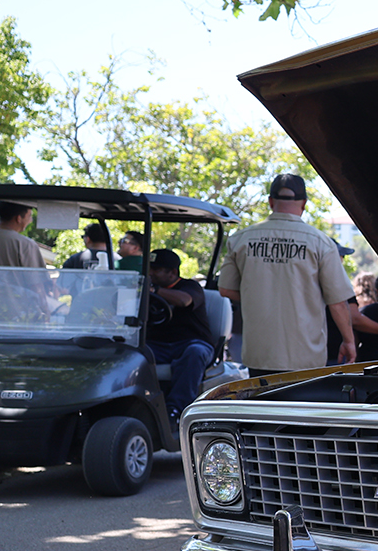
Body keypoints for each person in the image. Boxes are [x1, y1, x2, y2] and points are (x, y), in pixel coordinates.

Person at [216, 173, 356, 376]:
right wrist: (349, 341)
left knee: (263, 406)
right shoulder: (320, 243)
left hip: (260, 353)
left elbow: (226, 289)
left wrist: (258, 293)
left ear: (271, 201)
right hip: (305, 355)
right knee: (301, 407)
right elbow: (338, 302)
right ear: (304, 203)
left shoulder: (241, 239)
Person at [145, 248, 215, 423]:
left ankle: (176, 410)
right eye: (149, 268)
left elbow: (185, 301)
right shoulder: (145, 289)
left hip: (192, 342)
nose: (150, 273)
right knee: (132, 353)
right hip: (158, 345)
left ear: (173, 272)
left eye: (156, 269)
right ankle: (138, 404)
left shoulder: (190, 287)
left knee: (195, 353)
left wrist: (154, 291)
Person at [0, 201, 48, 268]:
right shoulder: (25, 244)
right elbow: (37, 276)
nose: (30, 220)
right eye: (29, 216)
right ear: (19, 218)